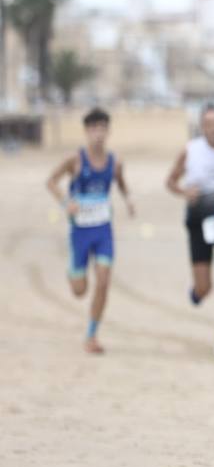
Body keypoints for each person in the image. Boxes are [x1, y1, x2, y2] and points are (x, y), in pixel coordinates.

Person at [45, 108, 135, 354]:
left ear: (108, 131)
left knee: (104, 281)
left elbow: (122, 183)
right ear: (86, 132)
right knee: (79, 290)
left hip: (103, 229)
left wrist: (128, 201)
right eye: (93, 128)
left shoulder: (115, 162)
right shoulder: (75, 159)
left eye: (102, 128)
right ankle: (73, 271)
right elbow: (51, 181)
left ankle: (92, 335)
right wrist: (66, 202)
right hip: (80, 232)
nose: (98, 133)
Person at [165, 104, 214, 355]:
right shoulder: (190, 151)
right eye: (208, 124)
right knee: (205, 287)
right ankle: (198, 291)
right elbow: (170, 182)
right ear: (202, 127)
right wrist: (183, 191)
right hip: (199, 222)